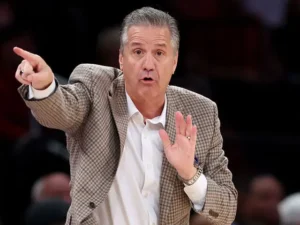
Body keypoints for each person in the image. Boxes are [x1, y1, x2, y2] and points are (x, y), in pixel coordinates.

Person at [13, 7, 237, 225]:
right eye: (138, 52)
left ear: (175, 61)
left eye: (159, 53)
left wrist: (190, 174)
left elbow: (226, 210)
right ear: (121, 59)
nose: (148, 65)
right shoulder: (95, 86)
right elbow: (59, 110)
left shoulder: (200, 112)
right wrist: (44, 87)